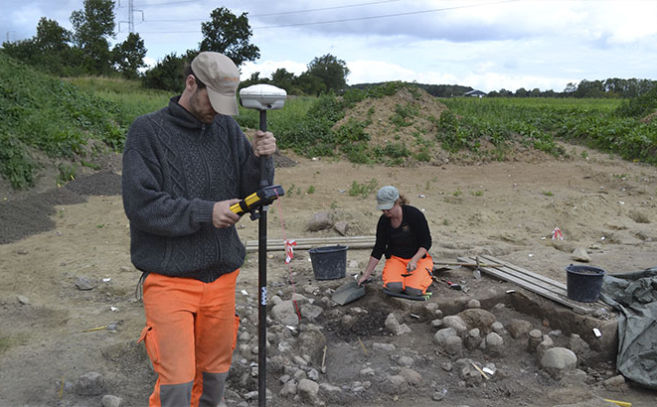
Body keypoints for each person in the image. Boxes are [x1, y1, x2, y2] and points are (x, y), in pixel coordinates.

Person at [122, 51, 277, 407]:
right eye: (214, 100)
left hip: (221, 278)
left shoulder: (224, 127)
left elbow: (251, 192)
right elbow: (142, 207)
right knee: (177, 384)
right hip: (170, 279)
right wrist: (206, 212)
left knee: (214, 379)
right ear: (191, 83)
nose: (219, 111)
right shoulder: (147, 132)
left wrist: (260, 159)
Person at [358, 186, 434, 296]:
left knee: (413, 291)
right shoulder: (384, 221)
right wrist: (366, 275)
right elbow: (379, 248)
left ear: (397, 202)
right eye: (383, 209)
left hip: (418, 259)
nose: (385, 212)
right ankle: (403, 277)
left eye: (388, 209)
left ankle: (424, 273)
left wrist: (414, 260)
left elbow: (426, 242)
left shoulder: (414, 215)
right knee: (393, 288)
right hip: (396, 259)